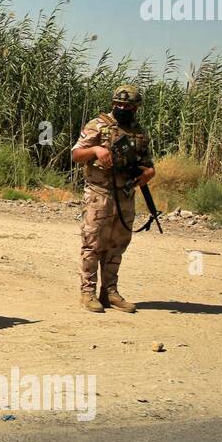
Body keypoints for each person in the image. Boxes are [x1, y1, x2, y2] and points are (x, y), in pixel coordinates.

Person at [70, 84, 156, 312]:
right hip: (99, 193)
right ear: (112, 103)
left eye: (128, 106)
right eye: (118, 104)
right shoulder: (97, 125)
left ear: (136, 108)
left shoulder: (139, 132)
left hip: (126, 194)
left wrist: (148, 173)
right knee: (93, 243)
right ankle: (87, 292)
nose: (122, 108)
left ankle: (110, 291)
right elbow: (76, 154)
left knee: (117, 245)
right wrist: (96, 151)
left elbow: (147, 165)